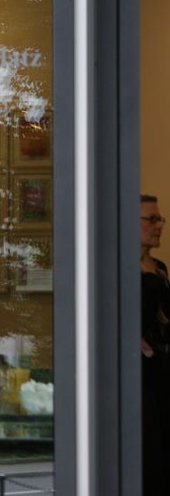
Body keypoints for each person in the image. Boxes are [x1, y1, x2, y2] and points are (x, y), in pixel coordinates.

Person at [140, 194, 170, 496]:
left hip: (162, 375)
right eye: (151, 219)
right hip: (141, 382)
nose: (159, 225)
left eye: (159, 219)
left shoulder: (159, 267)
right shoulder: (121, 270)